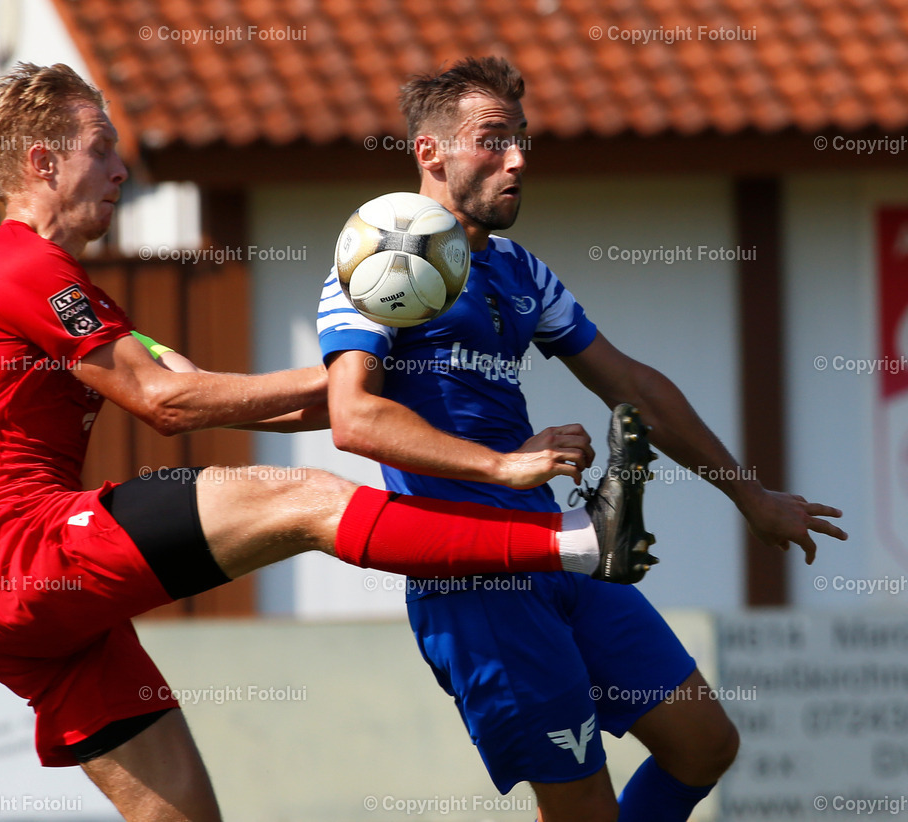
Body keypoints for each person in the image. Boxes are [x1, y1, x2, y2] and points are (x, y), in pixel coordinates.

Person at [0, 62, 658, 822]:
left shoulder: (53, 285)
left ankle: (572, 543)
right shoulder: (21, 263)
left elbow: (198, 386)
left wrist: (368, 376)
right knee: (303, 498)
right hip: (22, 553)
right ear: (42, 161)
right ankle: (574, 542)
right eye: (101, 148)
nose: (121, 168)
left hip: (22, 612)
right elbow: (165, 403)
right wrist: (369, 375)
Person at [318, 56, 848, 822]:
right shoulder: (380, 256)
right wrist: (504, 465)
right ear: (429, 151)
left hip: (563, 550)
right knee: (583, 809)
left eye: (521, 138)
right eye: (492, 140)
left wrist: (751, 496)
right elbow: (353, 417)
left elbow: (633, 387)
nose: (518, 159)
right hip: (475, 581)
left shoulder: (519, 272)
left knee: (704, 744)